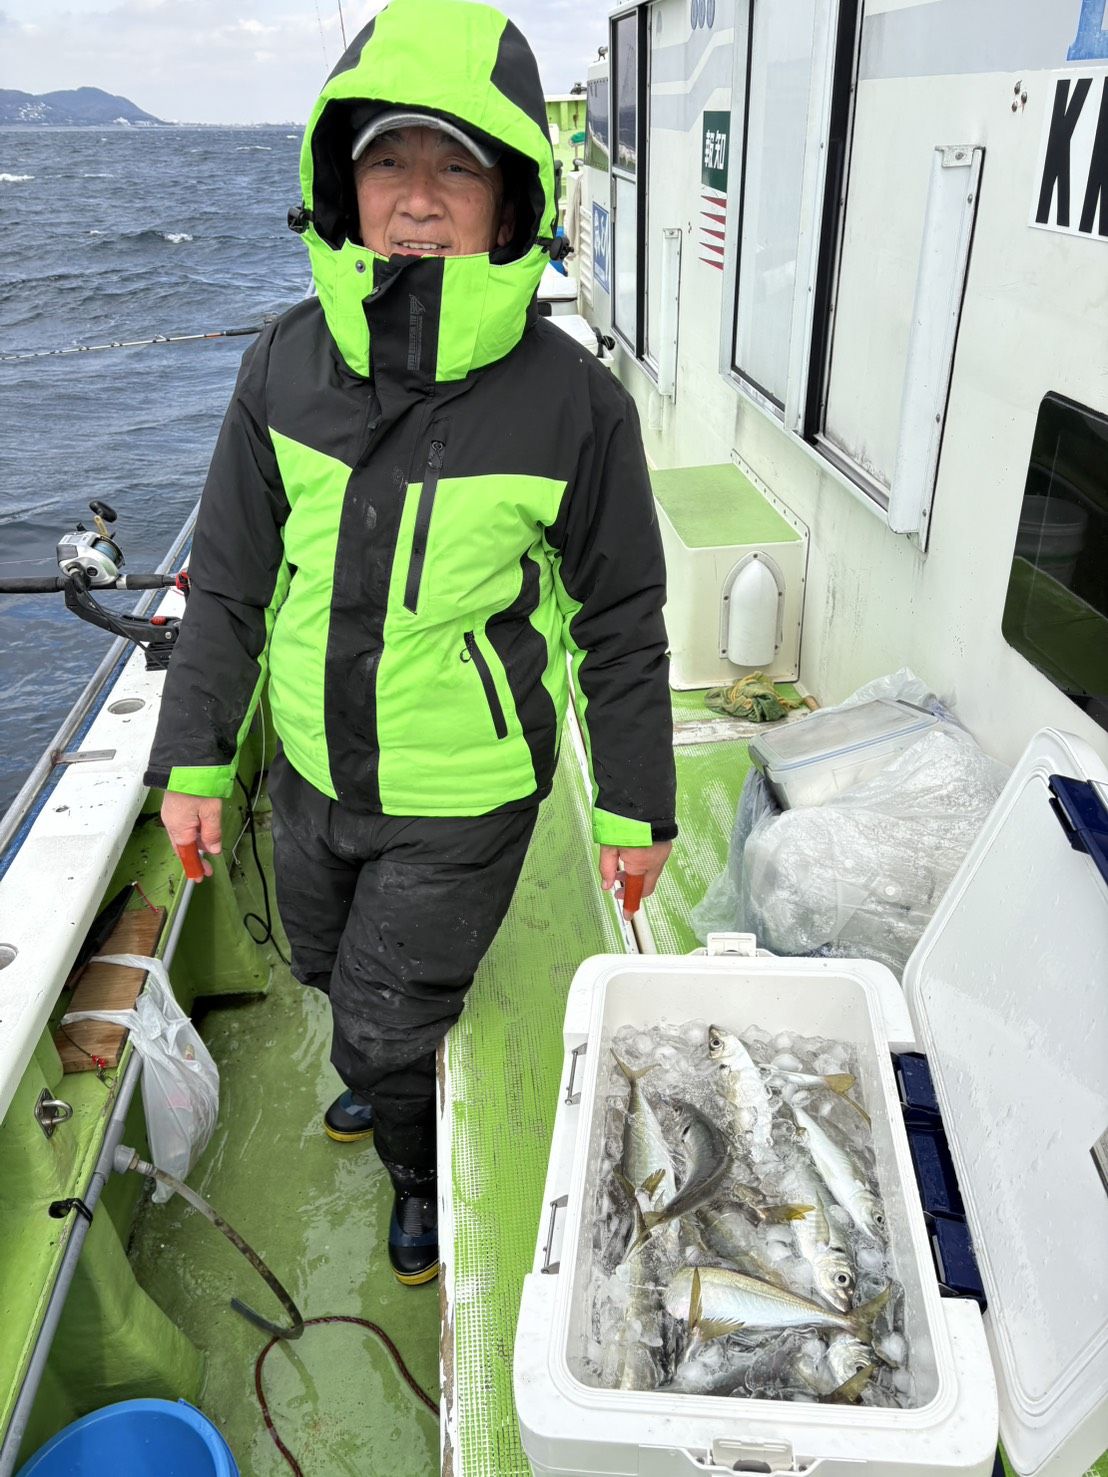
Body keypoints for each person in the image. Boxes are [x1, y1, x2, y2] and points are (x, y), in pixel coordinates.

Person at [147, 0, 676, 1286]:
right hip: (312, 772)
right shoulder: (281, 364)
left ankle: (413, 1163)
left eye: (459, 165)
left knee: (387, 1021)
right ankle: (378, 1064)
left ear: (513, 201)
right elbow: (228, 583)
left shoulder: (576, 405)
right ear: (344, 182)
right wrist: (197, 760)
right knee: (327, 968)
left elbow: (618, 619)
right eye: (388, 159)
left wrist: (634, 804)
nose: (419, 198)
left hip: (462, 794)